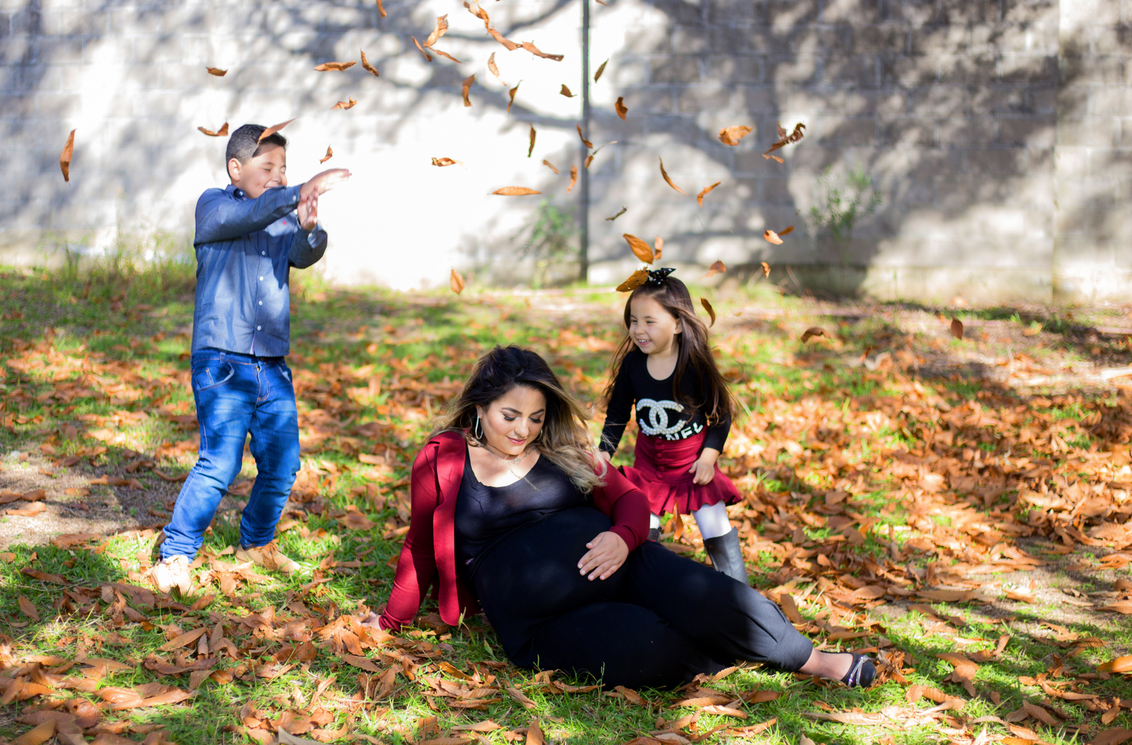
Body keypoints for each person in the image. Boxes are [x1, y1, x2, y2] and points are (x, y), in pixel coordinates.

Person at [365, 346, 875, 690]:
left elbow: (630, 501)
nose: (524, 430)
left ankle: (814, 661)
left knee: (720, 597)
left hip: (626, 563)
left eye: (537, 417)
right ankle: (721, 653)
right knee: (649, 648)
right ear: (479, 406)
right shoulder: (444, 459)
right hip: (544, 618)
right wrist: (391, 621)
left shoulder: (562, 448)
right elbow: (421, 547)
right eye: (510, 416)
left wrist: (622, 538)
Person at [149, 124, 351, 595]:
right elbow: (252, 214)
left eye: (285, 169)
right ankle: (175, 555)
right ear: (235, 168)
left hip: (271, 363)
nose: (279, 177)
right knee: (220, 464)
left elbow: (303, 255)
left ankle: (256, 543)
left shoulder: (280, 216)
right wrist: (298, 190)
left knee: (283, 464)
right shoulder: (213, 206)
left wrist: (308, 227)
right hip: (221, 361)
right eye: (268, 168)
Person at [599, 267, 749, 583]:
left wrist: (708, 458)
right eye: (634, 321)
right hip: (649, 470)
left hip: (692, 469)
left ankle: (738, 593)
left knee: (715, 526)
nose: (639, 330)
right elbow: (617, 414)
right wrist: (604, 454)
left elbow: (721, 415)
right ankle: (642, 590)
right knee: (641, 532)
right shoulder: (633, 366)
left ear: (678, 324)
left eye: (650, 321)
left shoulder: (694, 365)